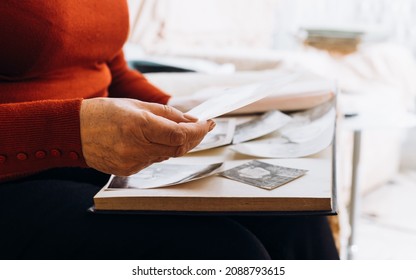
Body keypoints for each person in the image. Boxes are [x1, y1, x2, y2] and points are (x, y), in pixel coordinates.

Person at [0, 0, 339, 259]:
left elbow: (108, 66)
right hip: (16, 174)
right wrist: (68, 131)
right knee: (222, 252)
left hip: (90, 156)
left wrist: (173, 110)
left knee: (294, 218)